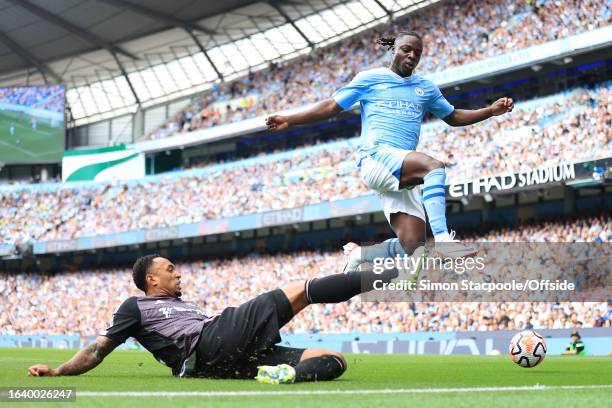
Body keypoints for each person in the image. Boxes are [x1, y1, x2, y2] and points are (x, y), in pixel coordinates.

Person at [266, 31, 514, 269]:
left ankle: (360, 254)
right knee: (434, 168)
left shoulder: (425, 88)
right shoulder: (370, 79)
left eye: (418, 53)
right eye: (406, 50)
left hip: (400, 169)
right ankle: (444, 240)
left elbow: (453, 116)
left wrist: (490, 111)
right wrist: (291, 119)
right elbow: (332, 106)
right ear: (393, 50)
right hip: (375, 158)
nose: (412, 56)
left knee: (414, 248)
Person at [27, 254, 398, 384]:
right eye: (170, 269)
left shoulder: (185, 306)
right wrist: (59, 373)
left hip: (220, 360)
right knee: (300, 291)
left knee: (332, 359)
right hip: (208, 345)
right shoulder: (134, 307)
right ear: (151, 280)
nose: (178, 274)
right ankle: (396, 273)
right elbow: (98, 348)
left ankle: (284, 375)